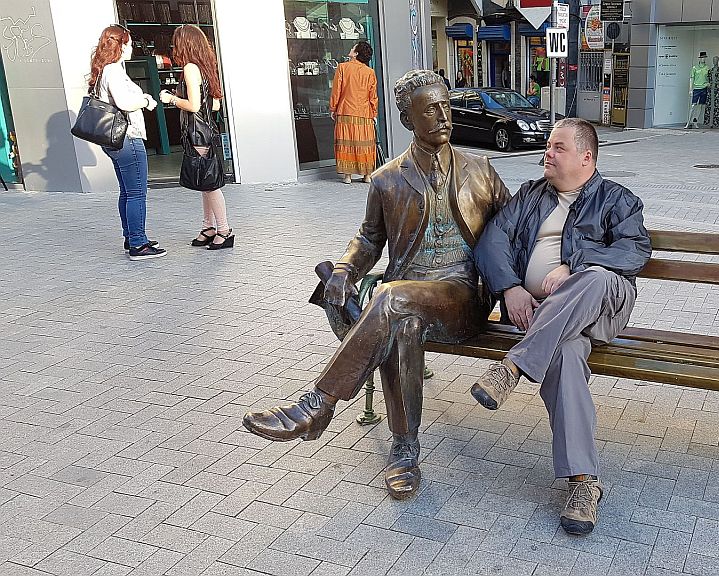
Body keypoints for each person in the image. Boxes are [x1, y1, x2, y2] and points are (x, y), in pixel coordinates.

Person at [242, 70, 511, 501]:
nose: (444, 116)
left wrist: (517, 287)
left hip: (462, 296)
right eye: (431, 110)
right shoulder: (386, 179)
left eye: (446, 106)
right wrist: (345, 269)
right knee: (401, 321)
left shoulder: (481, 170)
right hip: (408, 294)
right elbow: (369, 239)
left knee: (389, 297)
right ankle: (404, 450)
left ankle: (318, 404)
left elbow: (514, 231)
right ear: (408, 119)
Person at [471, 118, 651, 535]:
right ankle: (584, 483)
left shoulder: (617, 200)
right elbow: (492, 240)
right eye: (548, 145)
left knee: (595, 277)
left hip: (601, 305)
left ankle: (514, 366)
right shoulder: (531, 196)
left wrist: (574, 264)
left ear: (586, 157)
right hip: (546, 318)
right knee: (565, 355)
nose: (547, 153)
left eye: (558, 147)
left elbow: (634, 251)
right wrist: (511, 288)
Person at [90, 24, 165, 261]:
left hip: (115, 139)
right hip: (127, 138)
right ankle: (138, 244)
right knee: (137, 193)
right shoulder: (113, 71)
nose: (132, 48)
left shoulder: (105, 70)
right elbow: (123, 103)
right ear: (120, 45)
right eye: (129, 43)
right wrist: (145, 101)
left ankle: (131, 236)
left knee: (127, 191)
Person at [159, 24, 233, 250]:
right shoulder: (206, 67)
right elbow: (215, 105)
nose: (174, 47)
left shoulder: (190, 68)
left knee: (209, 184)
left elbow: (193, 105)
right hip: (206, 130)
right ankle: (208, 227)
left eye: (176, 43)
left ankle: (224, 230)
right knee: (205, 182)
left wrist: (171, 99)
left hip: (197, 132)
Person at [330, 41, 379, 185]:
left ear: (356, 53)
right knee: (365, 144)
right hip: (365, 113)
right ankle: (367, 175)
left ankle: (347, 176)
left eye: (353, 48)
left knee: (347, 143)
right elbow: (373, 96)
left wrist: (333, 108)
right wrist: (374, 113)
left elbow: (336, 91)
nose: (351, 49)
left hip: (345, 111)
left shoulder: (342, 68)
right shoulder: (370, 72)